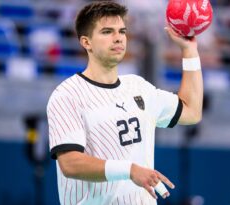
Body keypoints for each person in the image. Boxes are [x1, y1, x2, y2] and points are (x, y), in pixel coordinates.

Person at [46, 1, 203, 204]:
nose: (118, 37)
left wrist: (190, 51)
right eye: (107, 31)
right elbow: (70, 163)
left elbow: (192, 112)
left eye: (122, 31)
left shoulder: (139, 87)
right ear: (86, 42)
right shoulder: (67, 95)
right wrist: (129, 170)